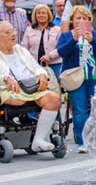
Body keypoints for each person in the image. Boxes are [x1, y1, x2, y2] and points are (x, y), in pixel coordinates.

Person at [1, 21, 62, 153]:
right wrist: (5, 78)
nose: (13, 34)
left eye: (13, 31)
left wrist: (41, 75)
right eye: (7, 32)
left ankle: (38, 140)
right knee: (19, 100)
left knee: (53, 99)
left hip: (29, 87)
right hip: (7, 89)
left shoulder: (21, 50)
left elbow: (35, 67)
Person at [56, 6, 96, 154]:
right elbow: (61, 52)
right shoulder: (66, 35)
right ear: (72, 20)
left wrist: (93, 41)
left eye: (84, 18)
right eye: (78, 18)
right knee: (79, 110)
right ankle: (82, 140)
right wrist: (73, 40)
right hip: (75, 77)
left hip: (94, 76)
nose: (81, 21)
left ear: (89, 21)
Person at [21, 4, 62, 81]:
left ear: (48, 15)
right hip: (35, 65)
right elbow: (24, 48)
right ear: (35, 15)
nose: (41, 15)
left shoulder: (57, 30)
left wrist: (49, 56)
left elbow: (61, 47)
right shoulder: (29, 30)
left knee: (55, 88)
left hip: (54, 64)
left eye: (43, 13)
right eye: (38, 13)